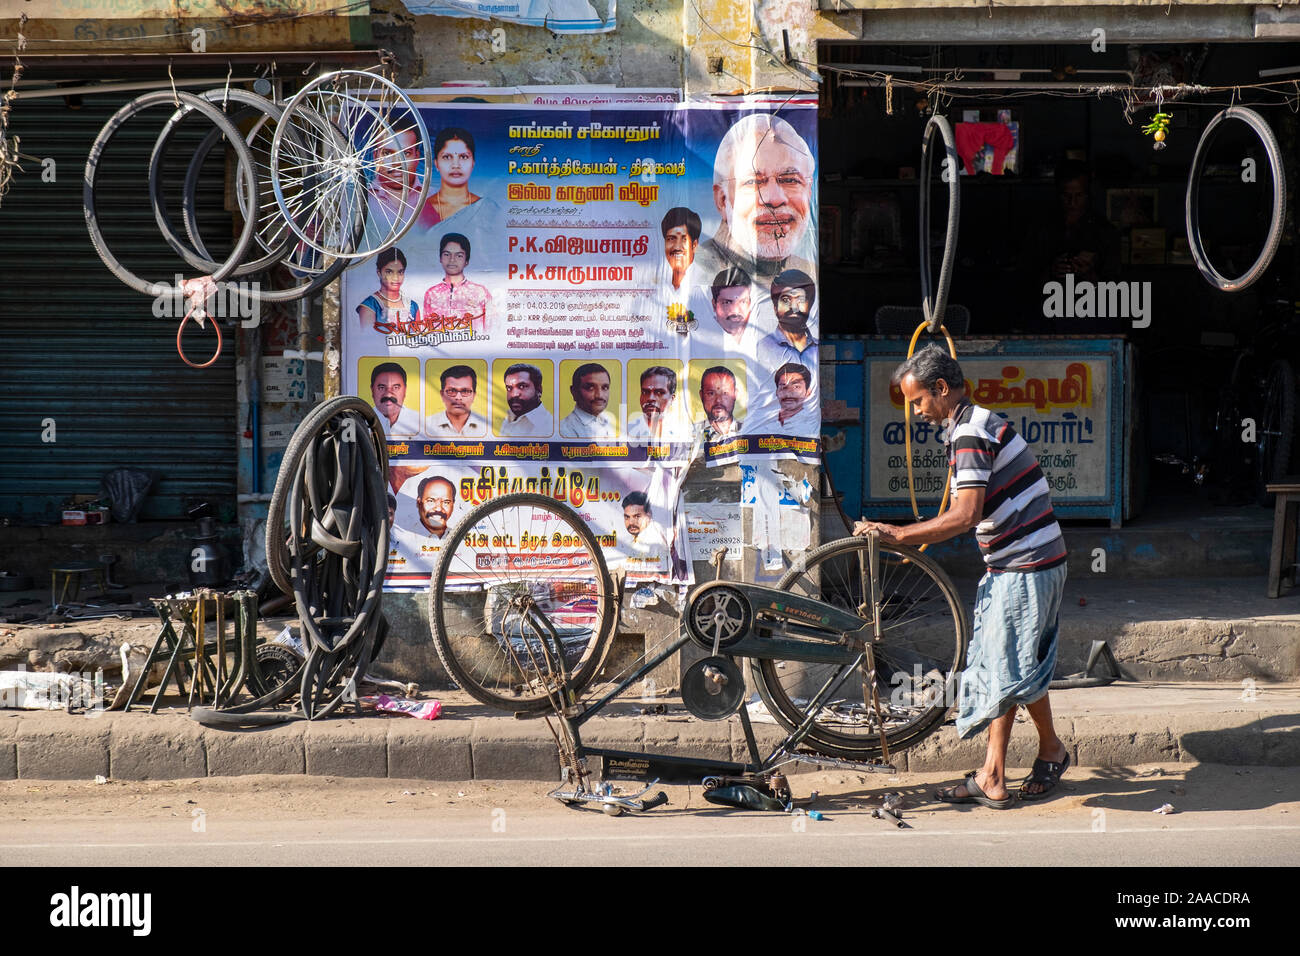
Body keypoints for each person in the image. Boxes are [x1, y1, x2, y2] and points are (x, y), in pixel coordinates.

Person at [854, 345, 1070, 809]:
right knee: (1012, 664)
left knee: (1006, 666)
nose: (917, 413)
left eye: (918, 402)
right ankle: (1046, 751)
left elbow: (965, 515)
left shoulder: (971, 432)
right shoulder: (972, 425)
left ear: (942, 389)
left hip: (1025, 564)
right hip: (1026, 561)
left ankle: (995, 774)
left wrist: (898, 534)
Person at [694, 113, 816, 282]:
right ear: (722, 200)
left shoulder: (809, 275)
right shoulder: (694, 274)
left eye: (790, 180)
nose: (774, 199)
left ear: (809, 193)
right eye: (753, 182)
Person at [423, 233, 491, 334]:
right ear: (440, 258)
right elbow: (427, 332)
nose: (452, 260)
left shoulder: (480, 292)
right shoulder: (431, 294)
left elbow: (491, 332)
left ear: (466, 261)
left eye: (459, 256)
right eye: (447, 254)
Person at [756, 269, 819, 374]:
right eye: (786, 300)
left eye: (801, 300)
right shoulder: (762, 348)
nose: (794, 307)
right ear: (775, 307)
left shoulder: (818, 348)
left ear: (810, 305)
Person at [418, 128, 484, 228]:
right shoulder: (421, 210)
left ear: (473, 163)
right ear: (436, 164)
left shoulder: (485, 208)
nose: (456, 165)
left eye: (463, 157)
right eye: (447, 157)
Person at [370, 127, 423, 230]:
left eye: (405, 153)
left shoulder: (435, 199)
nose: (397, 162)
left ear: (417, 156)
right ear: (375, 156)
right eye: (388, 153)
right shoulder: (359, 197)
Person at [356, 248, 419, 333]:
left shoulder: (413, 306)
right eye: (389, 272)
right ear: (379, 273)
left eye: (400, 272)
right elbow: (368, 341)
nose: (396, 278)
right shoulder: (370, 306)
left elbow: (418, 339)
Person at [750, 362, 819, 434]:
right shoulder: (762, 421)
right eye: (783, 387)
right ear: (777, 391)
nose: (788, 393)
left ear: (808, 392)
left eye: (796, 387)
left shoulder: (810, 424)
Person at [627, 366, 689, 441]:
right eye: (645, 392)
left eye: (659, 393)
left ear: (672, 399)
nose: (650, 398)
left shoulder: (683, 432)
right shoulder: (627, 430)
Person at [559, 362, 617, 439]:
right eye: (590, 388)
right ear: (574, 392)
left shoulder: (610, 421)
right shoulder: (564, 431)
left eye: (605, 387)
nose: (599, 395)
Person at [427, 364, 488, 437]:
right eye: (452, 391)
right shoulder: (427, 425)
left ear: (474, 396)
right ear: (442, 395)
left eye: (465, 391)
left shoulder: (487, 426)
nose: (458, 397)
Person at [498, 363, 552, 436]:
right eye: (509, 388)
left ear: (539, 390)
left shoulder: (549, 427)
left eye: (522, 386)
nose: (514, 394)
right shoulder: (508, 419)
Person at [369, 362, 420, 436]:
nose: (388, 394)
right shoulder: (361, 421)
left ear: (405, 390)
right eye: (381, 388)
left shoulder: (420, 422)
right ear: (372, 390)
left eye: (396, 387)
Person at [696, 365, 743, 441]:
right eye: (711, 393)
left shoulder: (748, 429)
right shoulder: (690, 433)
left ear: (735, 394)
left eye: (725, 393)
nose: (718, 400)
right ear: (701, 396)